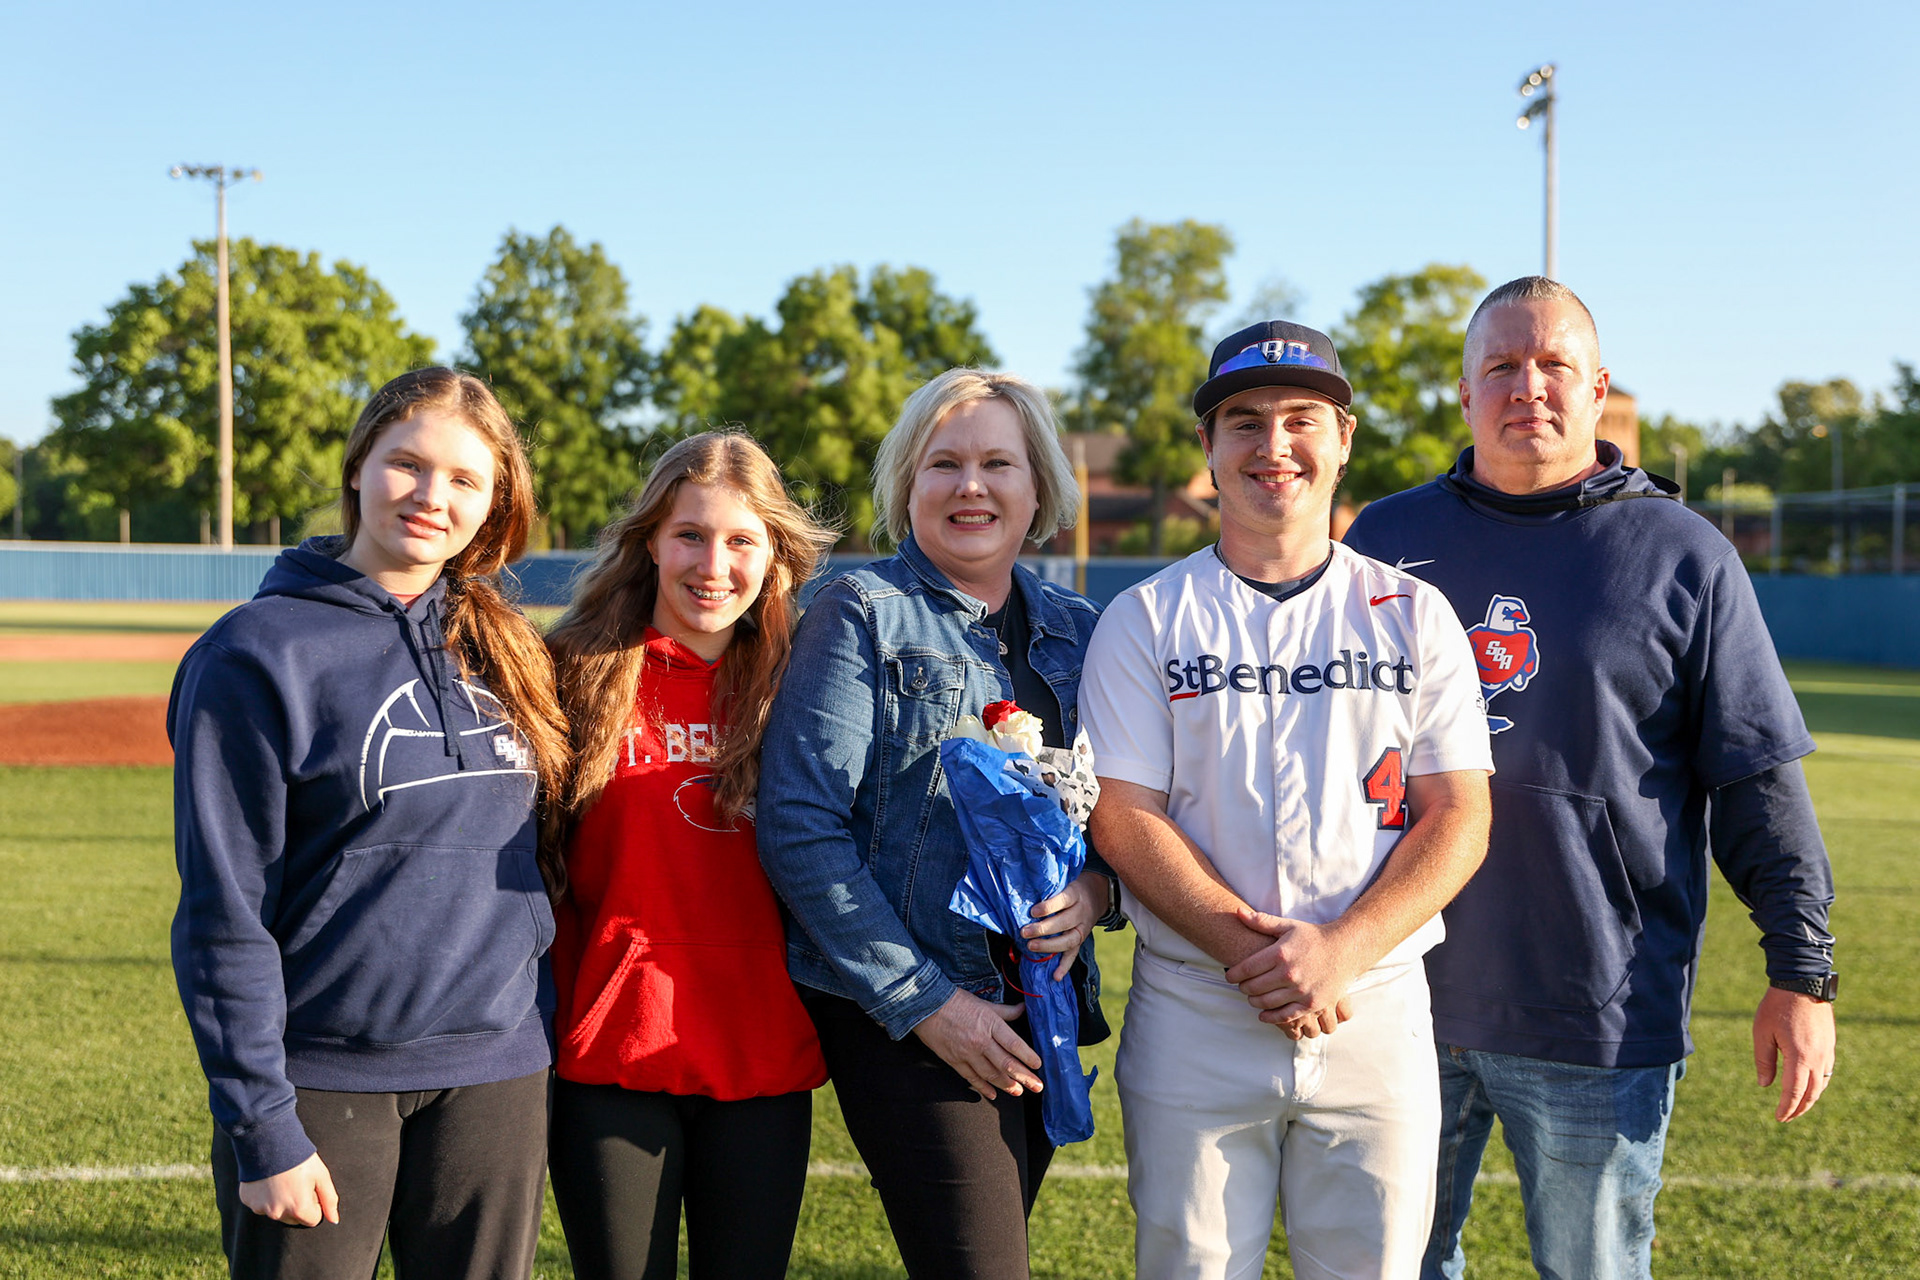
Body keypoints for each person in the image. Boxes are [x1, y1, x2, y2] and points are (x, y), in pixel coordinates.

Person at [1343, 276, 1838, 1280]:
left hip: (1593, 1008)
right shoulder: (1382, 545)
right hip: (1395, 990)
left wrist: (1802, 969)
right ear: (1466, 390)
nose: (1529, 385)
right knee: (1382, 1264)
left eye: (1554, 363)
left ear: (1598, 385)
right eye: (1502, 366)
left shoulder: (1681, 552)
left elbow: (1755, 780)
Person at [1079, 320, 1495, 1280]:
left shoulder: (1414, 613)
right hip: (1197, 1010)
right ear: (1208, 450)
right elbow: (1125, 816)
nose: (1274, 447)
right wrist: (1258, 959)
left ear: (1344, 439)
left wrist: (1340, 954)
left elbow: (1460, 815)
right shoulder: (1144, 618)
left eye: (1302, 419)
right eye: (1244, 422)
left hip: (1375, 1004)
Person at [169, 368, 571, 1279]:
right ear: (359, 469)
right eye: (408, 465)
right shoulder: (255, 652)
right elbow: (222, 913)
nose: (432, 497)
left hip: (494, 1076)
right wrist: (262, 1122)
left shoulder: (507, 648)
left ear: (494, 500)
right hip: (319, 1081)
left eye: (466, 479)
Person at [755, 368, 1118, 1280]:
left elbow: (1124, 812)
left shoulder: (1081, 629)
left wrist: (1098, 891)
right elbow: (800, 826)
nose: (971, 485)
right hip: (916, 1014)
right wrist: (927, 1005)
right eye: (942, 464)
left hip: (1042, 1007)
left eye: (999, 462)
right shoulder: (861, 613)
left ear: (1038, 488)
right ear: (905, 486)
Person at [542, 432, 839, 1280]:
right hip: (610, 1050)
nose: (714, 564)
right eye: (691, 535)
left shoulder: (810, 687)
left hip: (764, 1056)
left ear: (775, 554)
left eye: (742, 540)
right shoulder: (572, 673)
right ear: (649, 541)